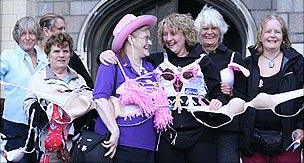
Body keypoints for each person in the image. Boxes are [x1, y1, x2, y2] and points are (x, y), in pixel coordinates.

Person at [99, 13, 229, 163]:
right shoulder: (156, 60)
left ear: (186, 34)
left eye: (173, 34)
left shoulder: (203, 61)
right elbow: (129, 56)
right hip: (167, 135)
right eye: (165, 34)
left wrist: (219, 100)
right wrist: (106, 54)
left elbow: (218, 91)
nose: (168, 39)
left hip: (200, 134)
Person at [94, 14, 173, 163]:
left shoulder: (150, 67)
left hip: (149, 145)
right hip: (122, 144)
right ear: (130, 39)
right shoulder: (111, 63)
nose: (150, 42)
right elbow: (99, 99)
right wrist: (114, 130)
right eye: (145, 38)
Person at [240, 14, 303, 162]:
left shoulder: (297, 63)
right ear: (260, 35)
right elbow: (240, 99)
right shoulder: (247, 64)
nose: (272, 35)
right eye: (268, 31)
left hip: (287, 142)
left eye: (277, 32)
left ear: (283, 36)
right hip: (253, 145)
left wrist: (301, 127)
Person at [193, 5, 248, 163]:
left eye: (214, 28)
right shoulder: (190, 56)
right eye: (205, 28)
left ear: (221, 30)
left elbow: (245, 97)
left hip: (227, 129)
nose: (209, 32)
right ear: (198, 31)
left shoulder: (233, 57)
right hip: (198, 126)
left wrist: (231, 93)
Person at [23, 32, 88, 162]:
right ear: (48, 55)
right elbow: (28, 109)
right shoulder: (38, 79)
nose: (61, 55)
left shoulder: (79, 79)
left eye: (65, 51)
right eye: (56, 51)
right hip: (48, 145)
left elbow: (88, 110)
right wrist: (50, 101)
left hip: (77, 144)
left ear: (70, 54)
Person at [0, 16, 49, 163]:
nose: (27, 38)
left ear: (37, 35)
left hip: (41, 124)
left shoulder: (45, 58)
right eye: (23, 34)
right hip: (15, 124)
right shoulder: (8, 57)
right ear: (17, 36)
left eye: (31, 33)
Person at [38, 13, 94, 88]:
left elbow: (87, 81)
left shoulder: (70, 55)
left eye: (64, 28)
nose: (64, 32)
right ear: (46, 31)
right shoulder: (33, 54)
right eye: (60, 29)